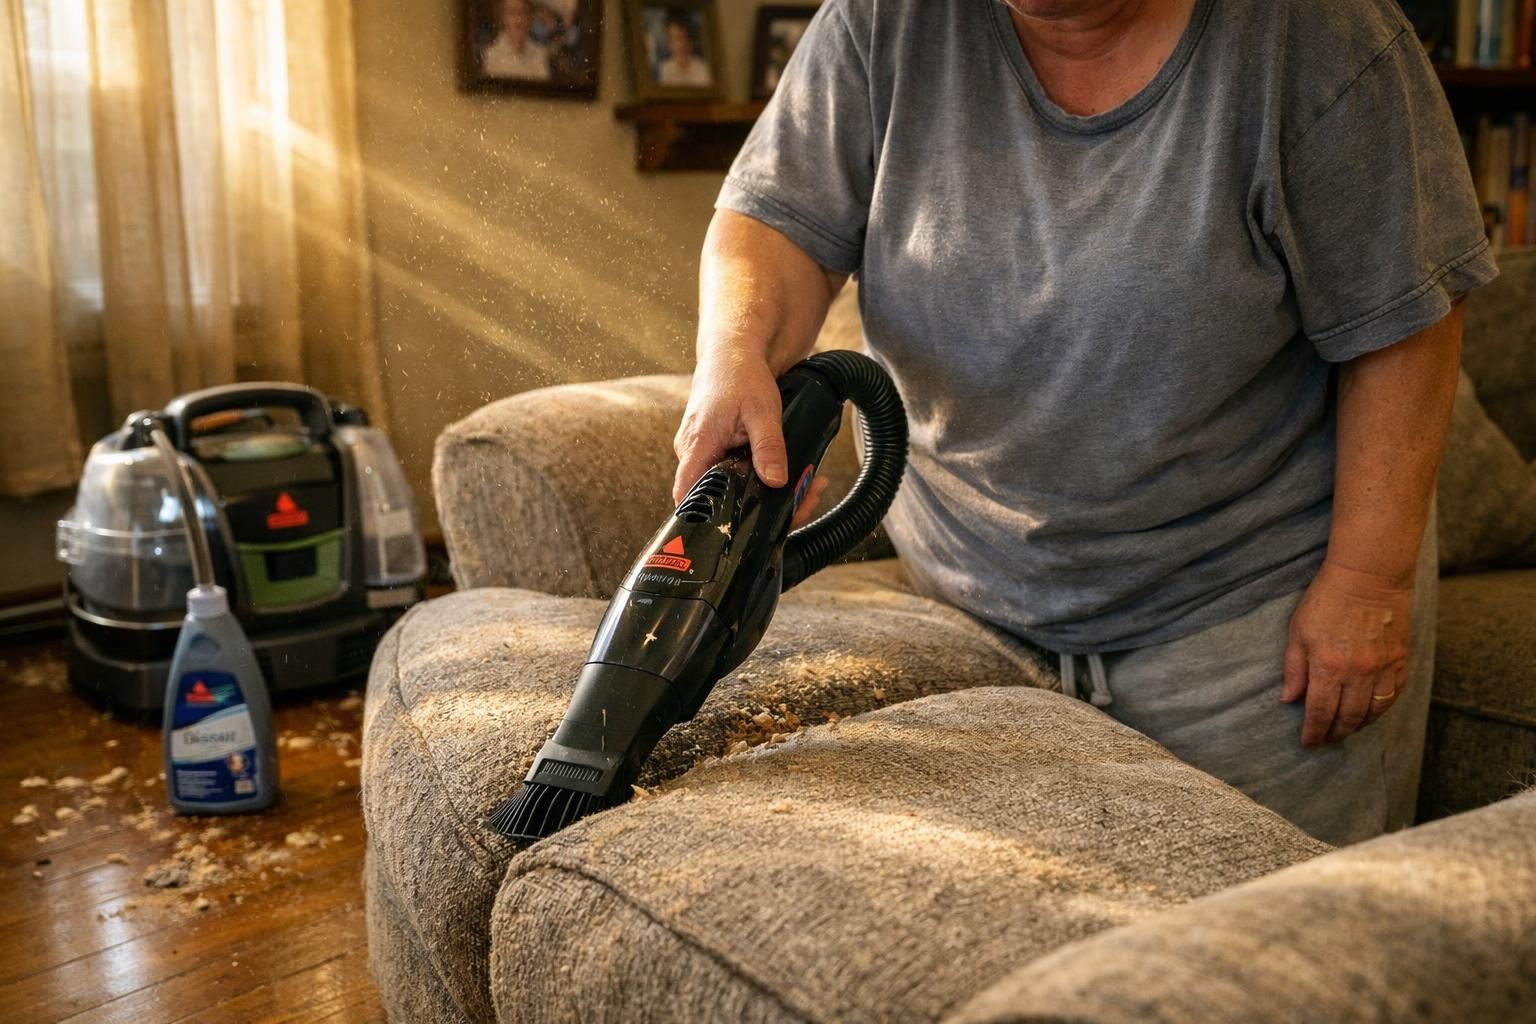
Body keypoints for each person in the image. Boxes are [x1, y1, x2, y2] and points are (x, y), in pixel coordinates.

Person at [673, 0, 1498, 846]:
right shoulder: (880, 20)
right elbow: (776, 224)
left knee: (1276, 923)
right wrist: (734, 352)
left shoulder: (1320, 36)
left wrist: (1368, 582)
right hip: (970, 597)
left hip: (1247, 629)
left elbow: (1407, 320)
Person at [481, 0, 551, 81]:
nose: (518, 18)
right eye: (512, 12)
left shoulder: (541, 54)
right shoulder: (490, 55)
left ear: (530, 17)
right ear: (502, 18)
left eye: (523, 12)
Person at [655, 10, 712, 87]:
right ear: (669, 43)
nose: (682, 44)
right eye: (677, 39)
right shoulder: (665, 69)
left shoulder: (703, 69)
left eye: (686, 38)